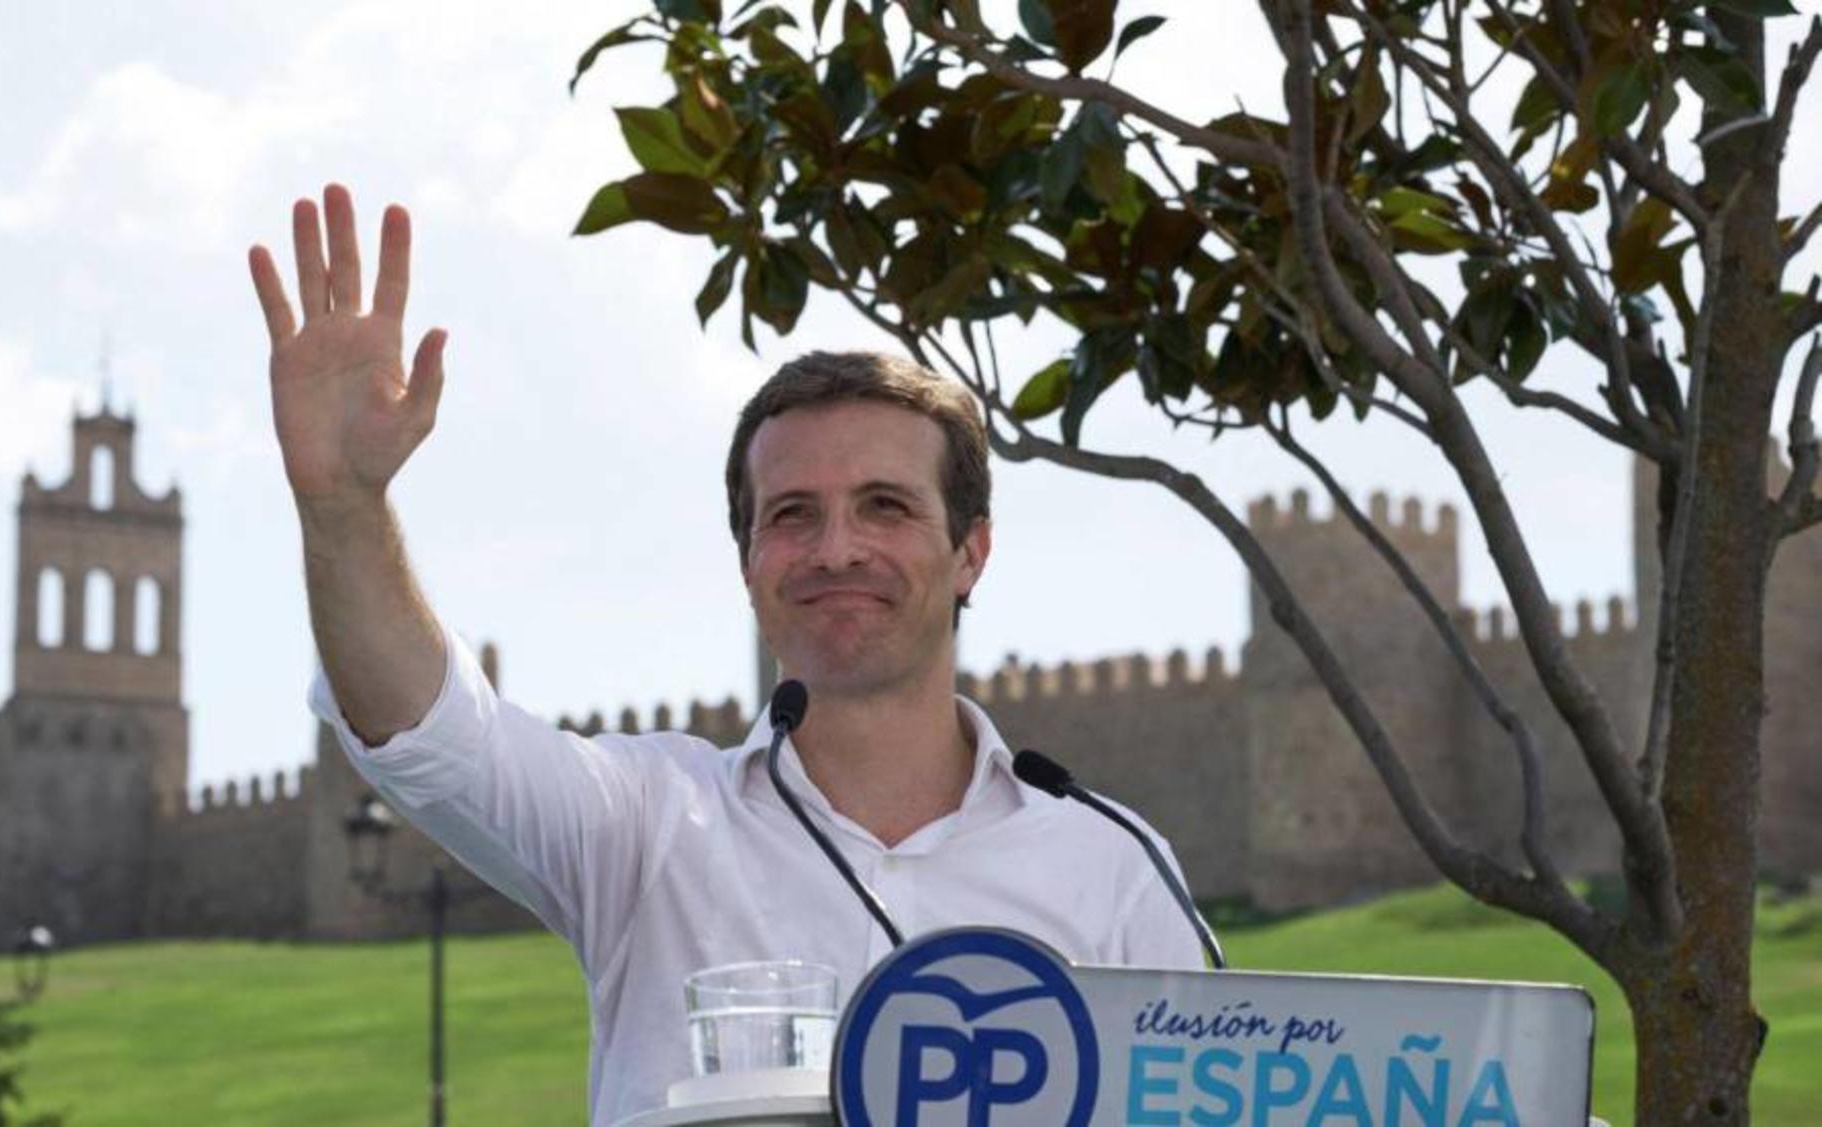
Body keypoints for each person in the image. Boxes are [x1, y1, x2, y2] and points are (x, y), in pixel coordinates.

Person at [247, 184, 1204, 1125]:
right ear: (747, 561)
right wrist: (343, 507)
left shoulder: (1115, 865)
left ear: (971, 551)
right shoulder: (646, 826)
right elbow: (431, 732)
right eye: (792, 514)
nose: (836, 549)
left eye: (885, 505)